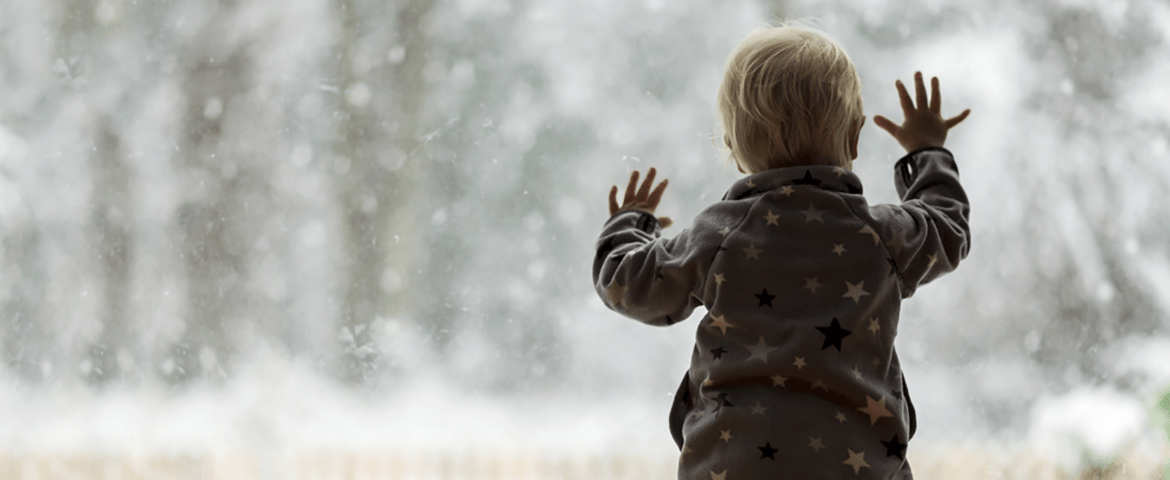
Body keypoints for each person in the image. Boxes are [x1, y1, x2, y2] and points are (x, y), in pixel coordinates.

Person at [592, 24, 971, 479]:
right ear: (853, 138)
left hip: (732, 467)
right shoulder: (881, 236)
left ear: (733, 150)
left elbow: (627, 283)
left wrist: (629, 223)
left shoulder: (718, 237)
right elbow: (948, 228)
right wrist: (927, 151)